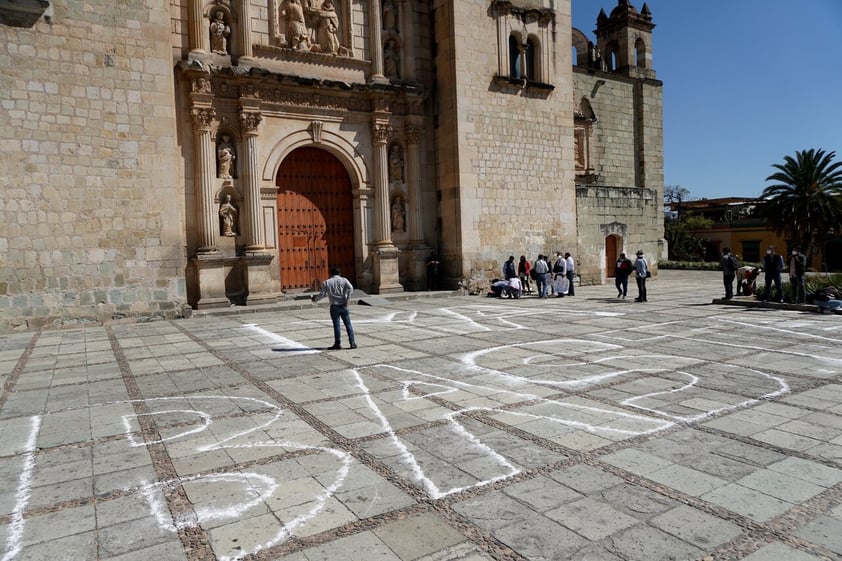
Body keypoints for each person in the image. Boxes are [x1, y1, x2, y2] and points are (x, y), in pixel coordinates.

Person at [311, 266, 357, 349]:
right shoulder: (344, 280)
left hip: (334, 306)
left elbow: (323, 294)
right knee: (348, 324)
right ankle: (352, 342)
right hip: (344, 305)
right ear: (340, 273)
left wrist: (315, 299)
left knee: (336, 325)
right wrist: (347, 299)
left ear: (331, 274)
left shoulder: (327, 282)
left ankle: (337, 343)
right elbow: (351, 288)